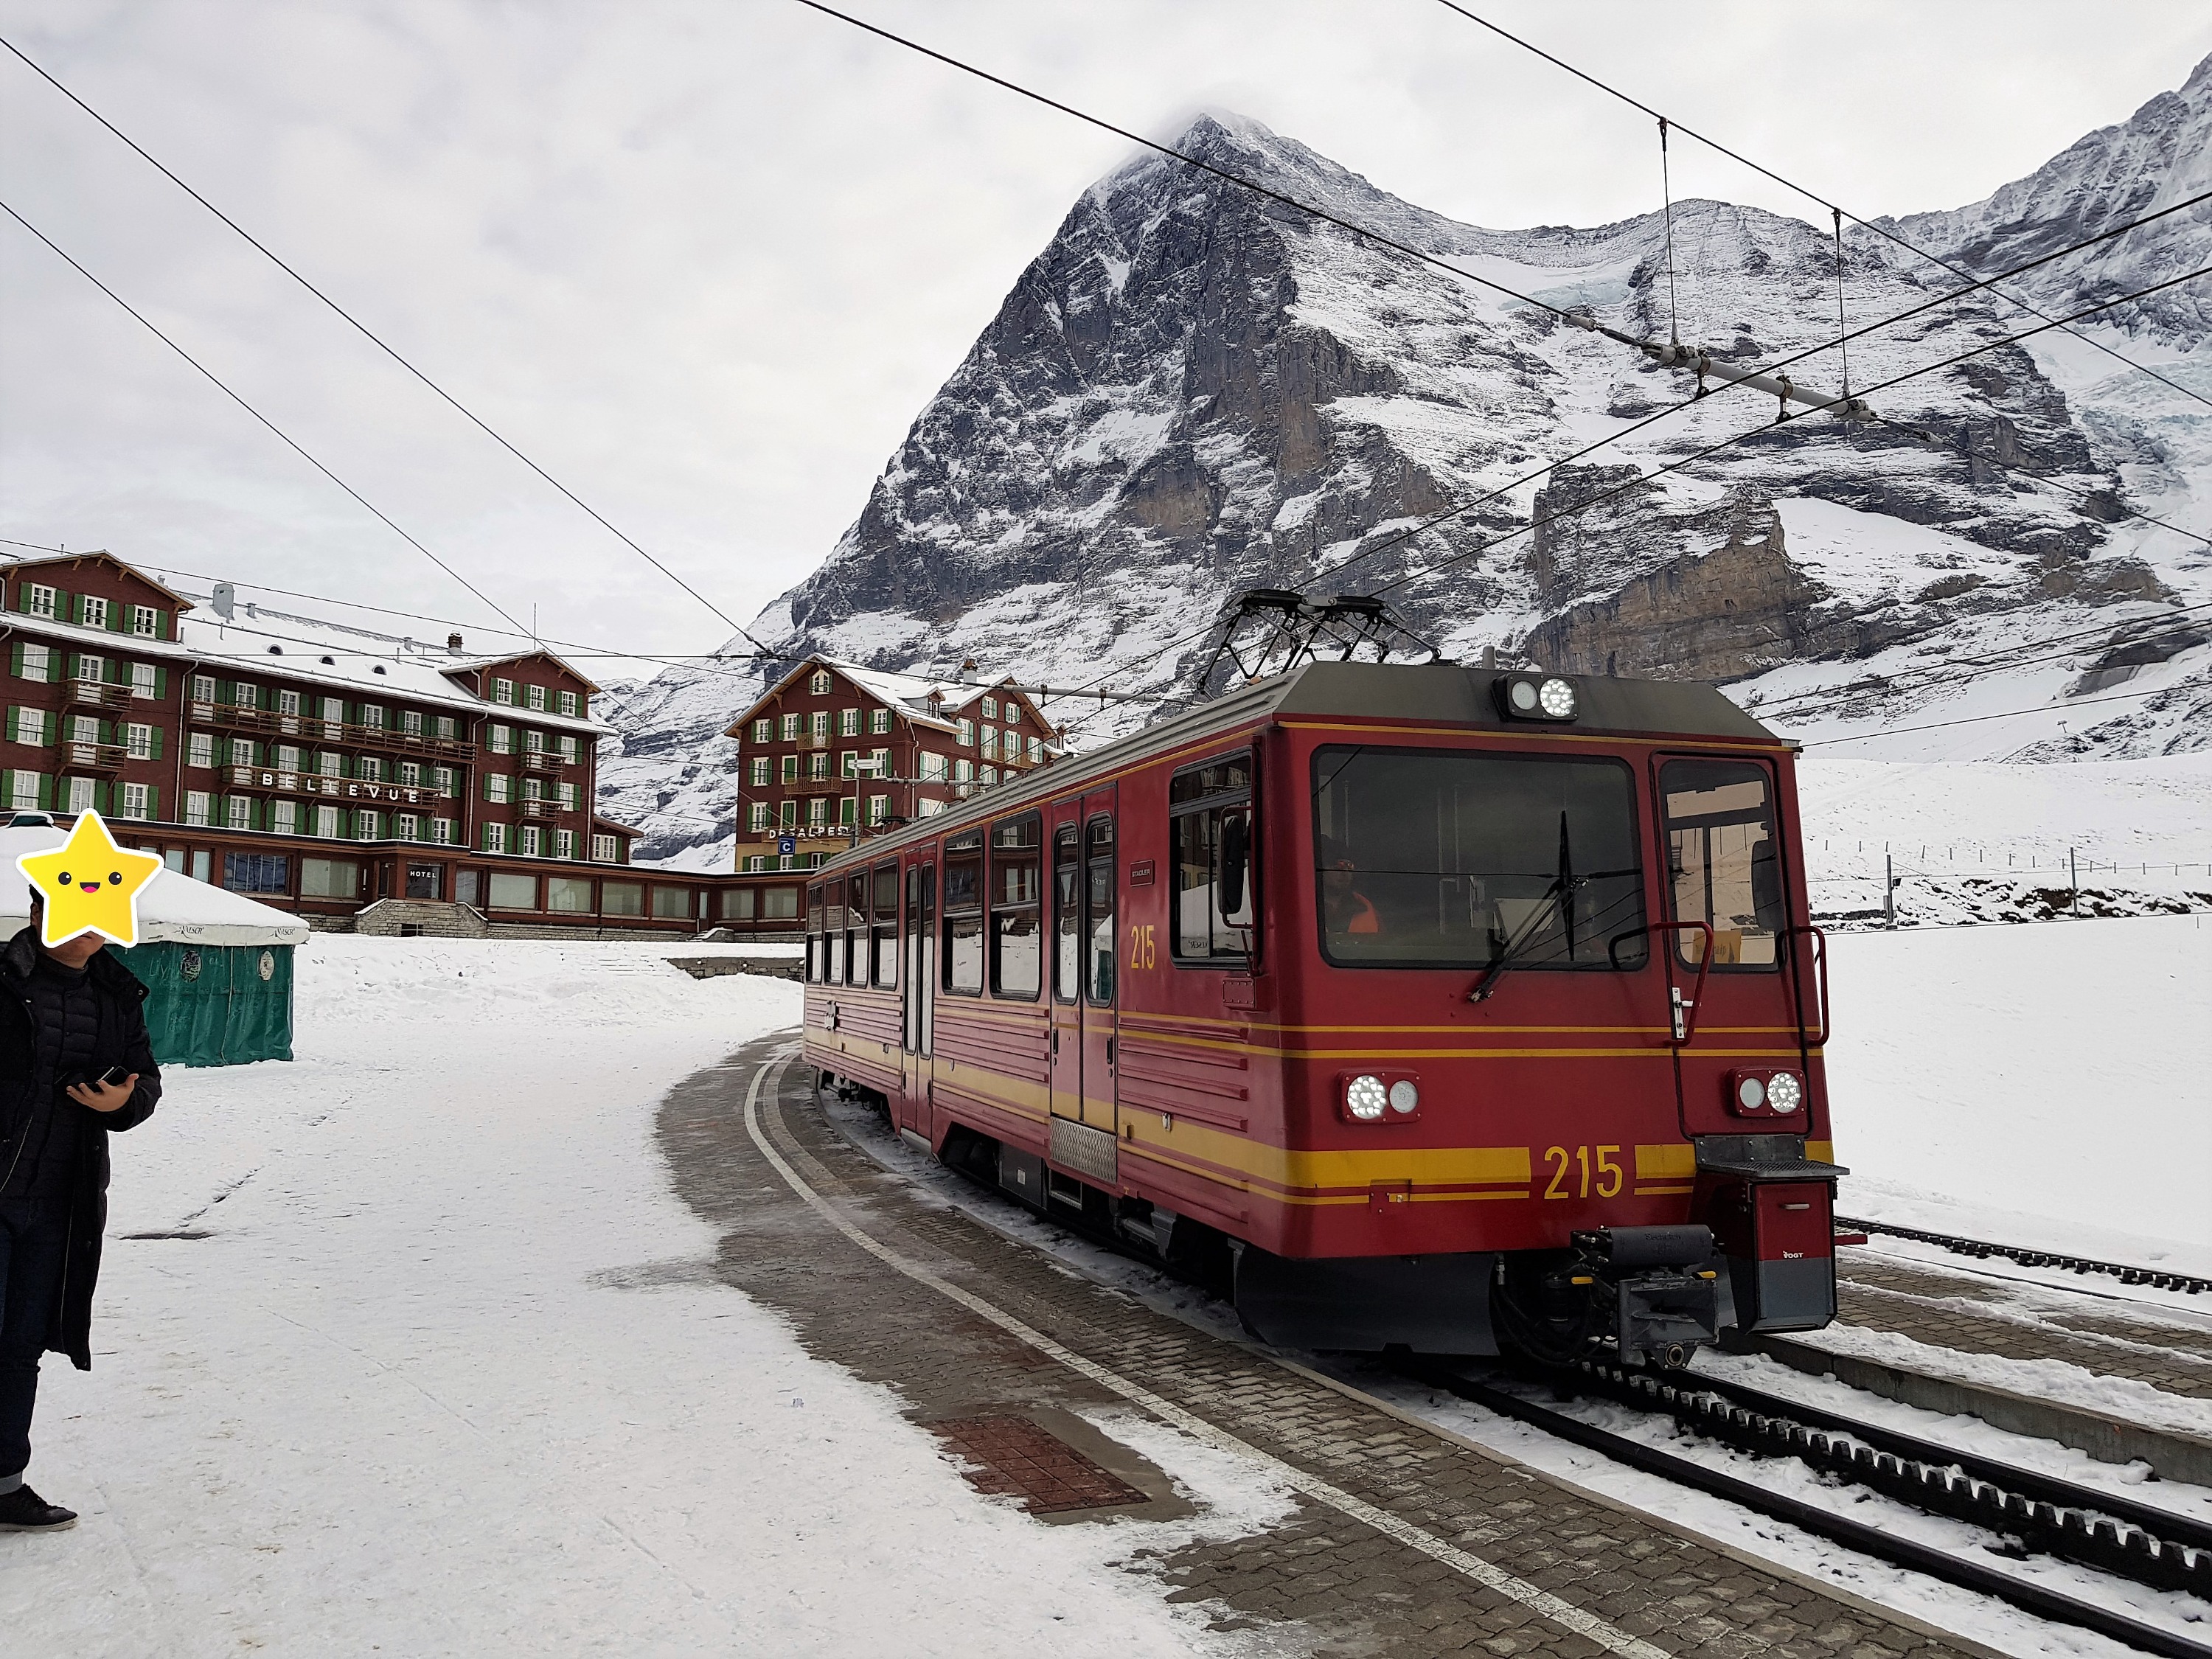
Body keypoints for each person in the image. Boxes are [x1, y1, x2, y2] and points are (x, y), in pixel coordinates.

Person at [0, 890, 160, 1531]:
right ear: (39, 913)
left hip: (59, 1203)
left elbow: (145, 1081)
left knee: (19, 1347)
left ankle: (4, 1485)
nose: (87, 928)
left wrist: (120, 1102)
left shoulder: (118, 995)